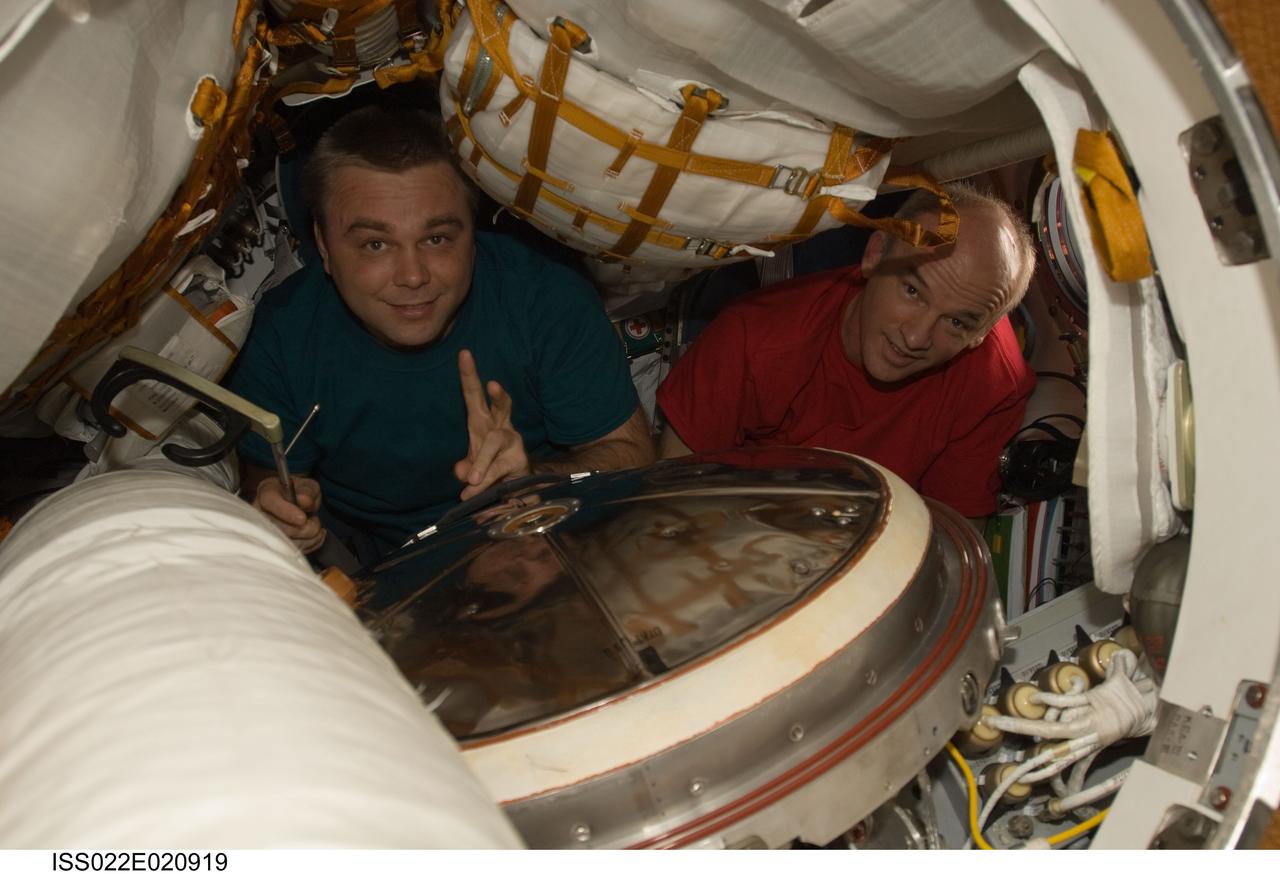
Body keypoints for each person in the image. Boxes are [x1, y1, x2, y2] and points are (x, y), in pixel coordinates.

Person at [227, 104, 654, 563]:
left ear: (473, 235)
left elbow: (630, 453)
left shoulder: (544, 298)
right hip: (379, 566)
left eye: (437, 239)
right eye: (376, 244)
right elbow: (264, 478)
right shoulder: (282, 334)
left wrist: (535, 477)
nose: (412, 276)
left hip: (544, 537)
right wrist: (284, 511)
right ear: (326, 248)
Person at [655, 184, 1037, 519]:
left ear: (981, 334)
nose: (917, 338)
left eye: (957, 323)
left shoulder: (993, 383)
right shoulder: (753, 337)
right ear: (874, 255)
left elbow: (951, 540)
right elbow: (669, 500)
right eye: (913, 291)